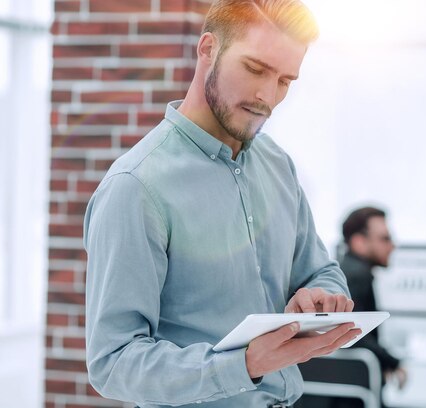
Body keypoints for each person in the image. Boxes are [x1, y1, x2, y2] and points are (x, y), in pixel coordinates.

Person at [83, 1, 361, 407]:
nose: (268, 96)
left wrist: (321, 293)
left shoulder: (278, 165)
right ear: (208, 49)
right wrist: (242, 365)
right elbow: (113, 362)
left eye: (285, 80)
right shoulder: (136, 187)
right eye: (255, 69)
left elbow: (321, 269)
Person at [340, 207, 407, 399]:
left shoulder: (341, 272)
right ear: (359, 242)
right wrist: (394, 363)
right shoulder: (358, 276)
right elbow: (355, 333)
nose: (392, 246)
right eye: (385, 238)